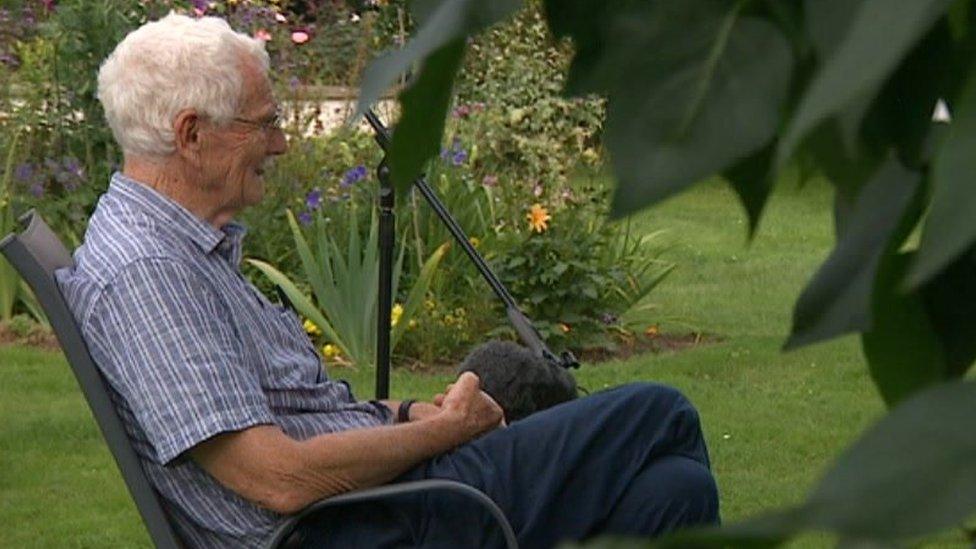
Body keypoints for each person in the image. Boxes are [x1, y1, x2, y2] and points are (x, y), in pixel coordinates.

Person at [56, 13, 719, 548]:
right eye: (266, 122)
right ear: (192, 134)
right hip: (358, 525)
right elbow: (276, 478)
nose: (282, 143)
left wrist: (406, 413)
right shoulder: (150, 274)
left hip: (374, 501)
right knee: (659, 411)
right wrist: (445, 430)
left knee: (675, 489)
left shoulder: (177, 249)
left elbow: (293, 418)